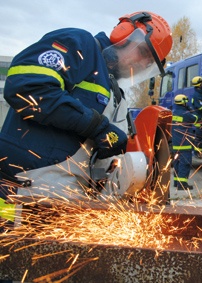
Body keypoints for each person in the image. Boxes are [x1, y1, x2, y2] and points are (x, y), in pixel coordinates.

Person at [0, 11, 173, 219]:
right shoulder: (79, 45)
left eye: (148, 63)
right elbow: (26, 87)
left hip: (66, 200)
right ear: (123, 33)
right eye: (143, 52)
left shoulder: (117, 95)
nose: (141, 63)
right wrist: (97, 127)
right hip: (20, 192)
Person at [172, 94, 199, 190]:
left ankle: (176, 182)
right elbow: (195, 119)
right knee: (185, 163)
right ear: (183, 102)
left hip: (176, 143)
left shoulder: (173, 112)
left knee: (177, 162)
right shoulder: (185, 113)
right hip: (184, 144)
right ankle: (182, 184)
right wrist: (191, 109)